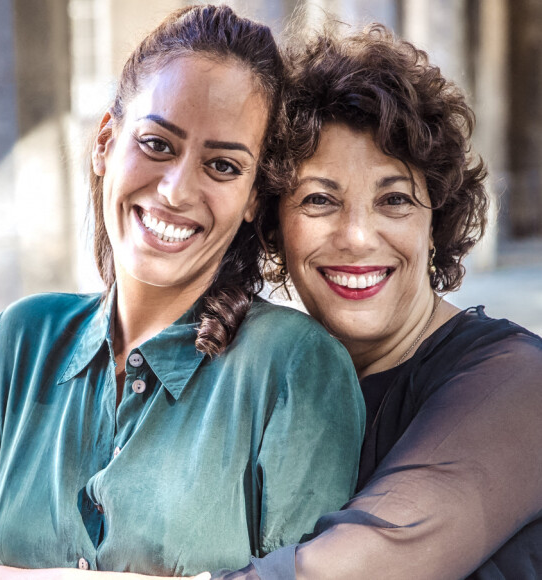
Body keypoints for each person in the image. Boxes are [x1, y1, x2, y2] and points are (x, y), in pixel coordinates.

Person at [0, 6, 366, 578]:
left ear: (254, 196)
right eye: (157, 143)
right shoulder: (18, 341)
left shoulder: (295, 367)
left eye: (223, 165)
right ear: (106, 141)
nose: (176, 190)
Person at [214, 22, 542, 580]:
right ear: (273, 227)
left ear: (435, 222)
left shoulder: (518, 384)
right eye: (320, 200)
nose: (358, 237)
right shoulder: (278, 384)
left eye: (394, 199)